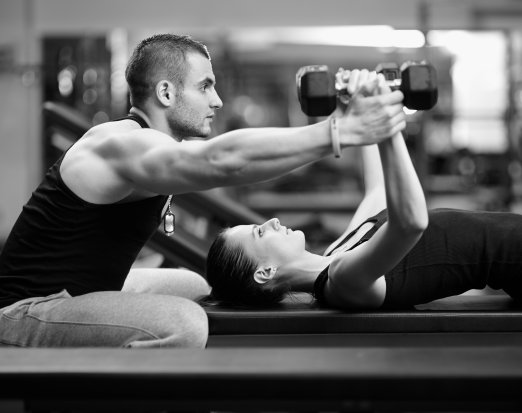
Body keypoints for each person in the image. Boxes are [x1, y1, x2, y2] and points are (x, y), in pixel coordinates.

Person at [0, 34, 406, 348]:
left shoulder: (155, 145)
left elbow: (233, 158)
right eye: (205, 86)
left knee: (195, 286)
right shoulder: (119, 144)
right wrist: (341, 131)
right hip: (27, 310)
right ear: (166, 93)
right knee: (185, 323)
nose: (218, 99)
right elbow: (222, 161)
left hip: (82, 290)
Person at [206, 73, 522, 310]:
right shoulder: (342, 280)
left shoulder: (337, 253)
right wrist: (383, 121)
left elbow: (380, 191)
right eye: (260, 233)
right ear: (265, 272)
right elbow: (410, 222)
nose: (271, 221)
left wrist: (352, 114)